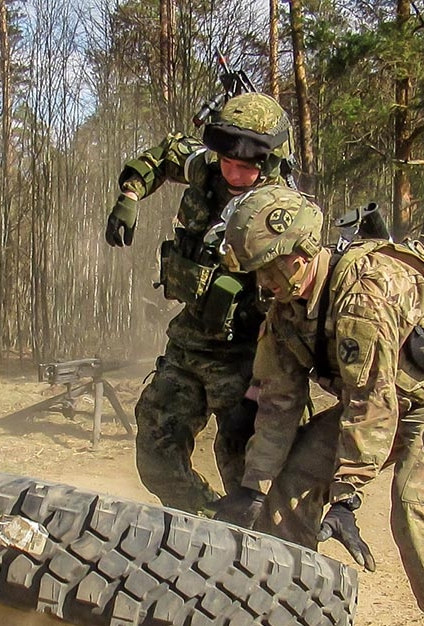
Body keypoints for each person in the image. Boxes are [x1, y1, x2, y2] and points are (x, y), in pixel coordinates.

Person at [211, 185, 424, 626]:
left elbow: (374, 404)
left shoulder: (362, 295)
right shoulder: (284, 308)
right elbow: (277, 402)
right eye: (257, 272)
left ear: (301, 254)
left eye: (271, 269)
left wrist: (346, 494)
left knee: (415, 504)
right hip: (375, 399)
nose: (265, 283)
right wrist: (253, 487)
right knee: (290, 490)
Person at [104, 93, 294, 514]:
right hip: (192, 342)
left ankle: (274, 561)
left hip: (249, 355)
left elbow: (301, 302)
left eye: (245, 166)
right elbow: (167, 153)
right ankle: (208, 527)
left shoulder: (284, 215)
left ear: (269, 162)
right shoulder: (207, 169)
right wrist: (130, 196)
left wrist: (266, 380)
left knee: (248, 475)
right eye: (226, 161)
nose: (232, 172)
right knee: (156, 452)